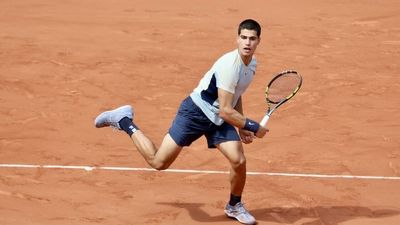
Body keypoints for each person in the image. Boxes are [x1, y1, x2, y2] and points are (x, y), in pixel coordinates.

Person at [94, 19, 268, 225]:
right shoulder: (230, 65)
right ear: (237, 38)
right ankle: (123, 120)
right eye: (243, 37)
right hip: (195, 112)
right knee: (159, 162)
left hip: (220, 118)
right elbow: (226, 109)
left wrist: (240, 126)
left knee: (238, 160)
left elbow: (235, 95)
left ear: (259, 41)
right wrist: (252, 127)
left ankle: (234, 205)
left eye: (252, 39)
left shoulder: (252, 65)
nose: (247, 42)